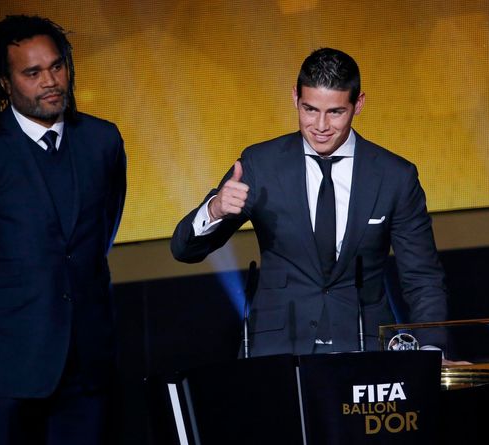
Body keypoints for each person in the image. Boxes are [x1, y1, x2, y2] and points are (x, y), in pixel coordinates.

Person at [0, 15, 126, 445]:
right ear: (4, 82)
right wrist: (2, 301)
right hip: (4, 366)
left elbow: (101, 229)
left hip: (87, 360)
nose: (50, 81)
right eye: (32, 73)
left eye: (56, 66)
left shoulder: (102, 141)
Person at [171, 48, 446, 357]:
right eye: (310, 109)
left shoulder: (395, 176)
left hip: (364, 350)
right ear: (295, 98)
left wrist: (431, 351)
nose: (321, 125)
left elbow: (422, 277)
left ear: (358, 104)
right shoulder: (261, 164)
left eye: (335, 112)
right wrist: (215, 209)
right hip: (277, 352)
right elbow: (184, 250)